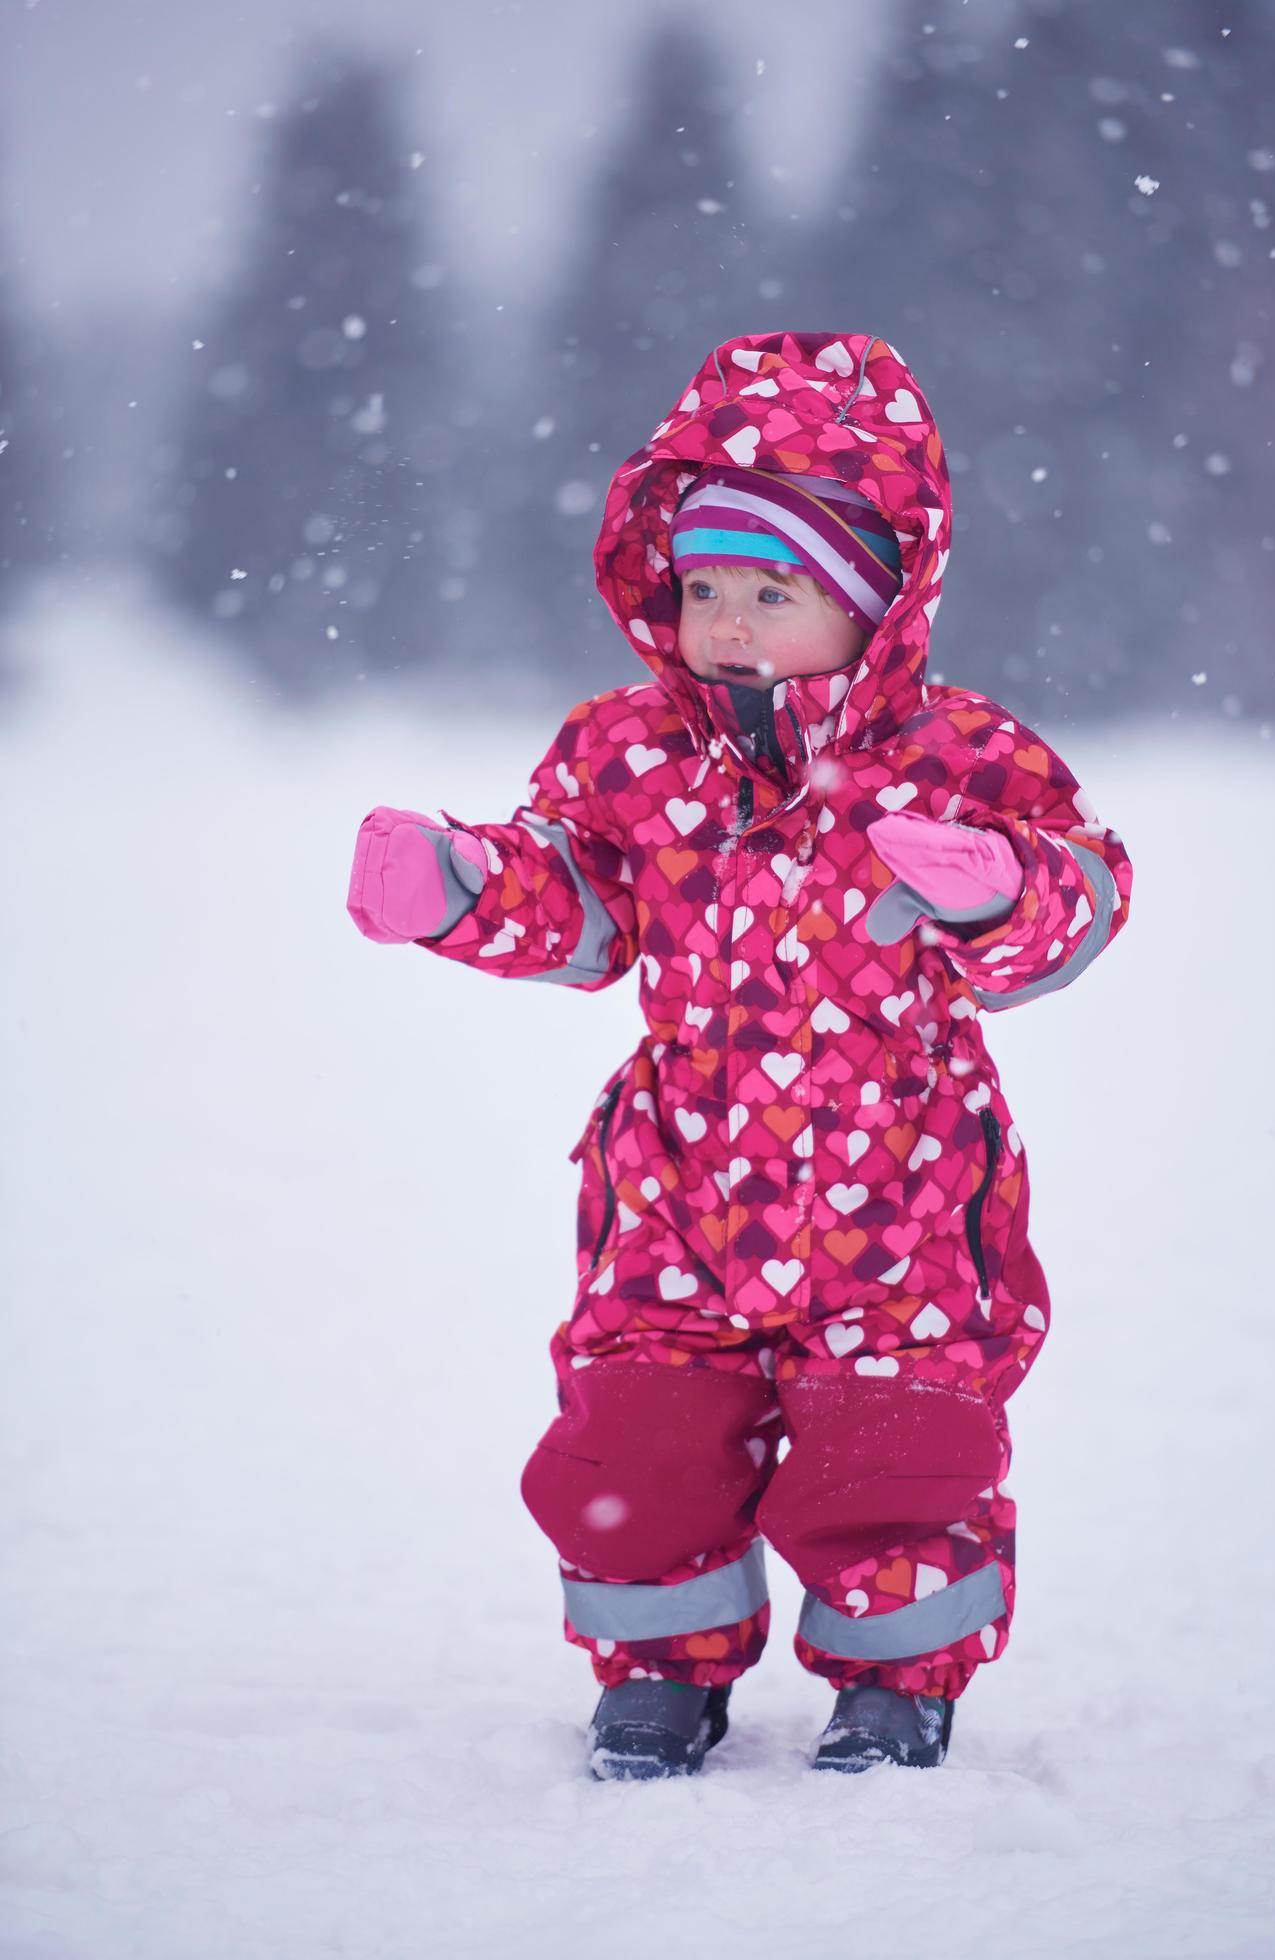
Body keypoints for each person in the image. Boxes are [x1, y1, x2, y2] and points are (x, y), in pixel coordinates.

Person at [346, 331, 1132, 1781]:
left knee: (893, 1449)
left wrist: (1003, 891)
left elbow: (1080, 906)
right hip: (679, 1188)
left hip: (897, 1193)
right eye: (705, 587)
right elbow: (582, 908)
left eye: (772, 592)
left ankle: (898, 1680)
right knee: (634, 1444)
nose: (727, 623)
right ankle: (658, 1668)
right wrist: (465, 887)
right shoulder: (633, 753)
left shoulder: (963, 758)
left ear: (877, 603)